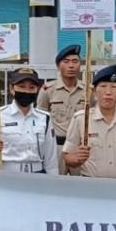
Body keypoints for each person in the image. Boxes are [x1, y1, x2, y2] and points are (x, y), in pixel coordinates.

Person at [63, 64, 116, 179]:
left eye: (114, 87)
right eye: (103, 86)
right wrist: (77, 159)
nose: (108, 92)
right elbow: (67, 157)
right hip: (90, 185)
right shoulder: (81, 119)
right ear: (94, 91)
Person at [0, 67, 59, 174]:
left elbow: (51, 160)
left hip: (38, 176)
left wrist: (52, 185)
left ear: (37, 90)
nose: (26, 91)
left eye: (31, 87)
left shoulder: (45, 118)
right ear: (12, 89)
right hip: (8, 176)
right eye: (21, 87)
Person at [38, 45, 86, 174]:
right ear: (58, 66)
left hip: (79, 148)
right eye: (66, 62)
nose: (71, 66)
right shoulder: (48, 90)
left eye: (75, 62)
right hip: (56, 146)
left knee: (81, 186)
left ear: (80, 65)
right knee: (55, 185)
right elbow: (41, 120)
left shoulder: (88, 91)